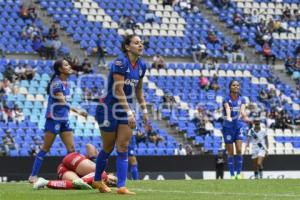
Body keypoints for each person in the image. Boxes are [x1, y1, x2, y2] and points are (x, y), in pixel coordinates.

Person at [93, 34, 148, 195]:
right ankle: (97, 180)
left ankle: (121, 187)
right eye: (136, 43)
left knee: (123, 146)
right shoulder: (120, 62)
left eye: (141, 43)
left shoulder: (142, 66)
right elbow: (118, 90)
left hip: (125, 110)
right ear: (127, 47)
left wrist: (144, 110)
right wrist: (130, 112)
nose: (140, 45)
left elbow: (138, 90)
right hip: (108, 109)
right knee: (108, 147)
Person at [28, 59, 87, 183]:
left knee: (71, 150)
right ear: (60, 69)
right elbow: (62, 102)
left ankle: (75, 177)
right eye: (66, 65)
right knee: (45, 148)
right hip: (53, 119)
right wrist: (78, 111)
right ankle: (33, 176)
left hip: (64, 119)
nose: (69, 66)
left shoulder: (67, 83)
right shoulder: (56, 83)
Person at [33, 144, 117, 190]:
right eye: (114, 179)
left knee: (76, 184)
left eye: (113, 184)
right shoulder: (99, 168)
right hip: (73, 158)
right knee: (102, 173)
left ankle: (45, 182)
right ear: (112, 174)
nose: (113, 182)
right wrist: (94, 157)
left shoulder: (96, 182)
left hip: (63, 169)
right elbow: (88, 145)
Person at [222, 80, 251, 180]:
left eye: (237, 85)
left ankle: (238, 174)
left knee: (239, 150)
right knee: (230, 152)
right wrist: (229, 117)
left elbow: (242, 111)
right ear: (230, 87)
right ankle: (232, 174)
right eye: (234, 85)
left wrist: (246, 118)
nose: (236, 87)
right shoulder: (226, 98)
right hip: (228, 127)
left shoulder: (242, 99)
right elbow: (227, 109)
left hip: (238, 126)